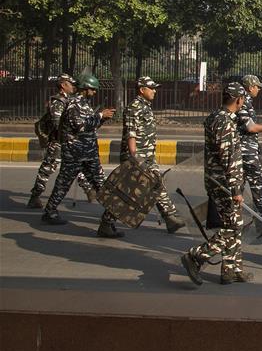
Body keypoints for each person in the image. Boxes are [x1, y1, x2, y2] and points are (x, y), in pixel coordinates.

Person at [181, 82, 251, 286]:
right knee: (231, 227)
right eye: (243, 99)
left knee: (235, 225)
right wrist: (235, 189)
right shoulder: (224, 122)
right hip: (224, 184)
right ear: (238, 100)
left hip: (219, 181)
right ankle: (196, 255)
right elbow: (228, 158)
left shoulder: (216, 116)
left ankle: (232, 269)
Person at [40, 74, 122, 238]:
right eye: (93, 89)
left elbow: (91, 127)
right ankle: (50, 212)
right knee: (63, 183)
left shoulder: (85, 104)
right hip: (75, 153)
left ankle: (108, 222)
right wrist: (100, 116)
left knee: (101, 185)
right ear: (85, 88)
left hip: (88, 154)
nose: (94, 92)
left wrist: (101, 119)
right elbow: (80, 127)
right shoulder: (74, 104)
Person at [120, 76, 185, 233]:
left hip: (147, 156)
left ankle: (170, 217)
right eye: (152, 88)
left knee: (156, 184)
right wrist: (134, 156)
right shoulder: (134, 107)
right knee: (126, 193)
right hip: (138, 157)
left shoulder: (145, 106)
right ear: (142, 90)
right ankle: (107, 222)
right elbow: (131, 133)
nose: (155, 91)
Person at [27, 74, 92, 208]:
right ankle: (35, 196)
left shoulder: (69, 100)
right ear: (63, 85)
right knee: (47, 169)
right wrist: (72, 131)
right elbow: (57, 123)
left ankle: (89, 190)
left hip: (69, 141)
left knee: (77, 165)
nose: (73, 87)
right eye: (70, 84)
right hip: (57, 142)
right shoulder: (58, 101)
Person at [236, 74, 262, 234]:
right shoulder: (243, 103)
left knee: (239, 186)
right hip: (245, 151)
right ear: (250, 87)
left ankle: (236, 221)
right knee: (259, 183)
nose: (258, 90)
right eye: (257, 87)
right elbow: (250, 127)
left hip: (247, 149)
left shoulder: (246, 102)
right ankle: (261, 223)